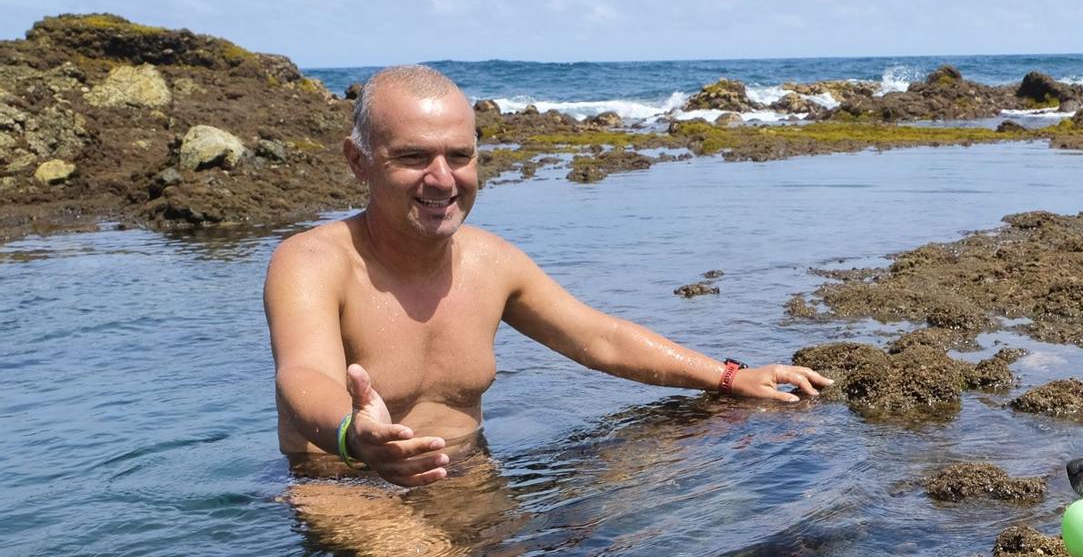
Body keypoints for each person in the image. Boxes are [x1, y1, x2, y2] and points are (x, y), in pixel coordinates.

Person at [264, 64, 830, 488]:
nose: (442, 180)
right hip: (347, 484)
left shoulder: (491, 262)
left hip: (473, 476)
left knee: (682, 498)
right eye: (414, 157)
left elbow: (597, 338)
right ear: (358, 160)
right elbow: (305, 376)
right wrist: (354, 439)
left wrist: (730, 378)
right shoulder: (312, 261)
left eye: (459, 156)